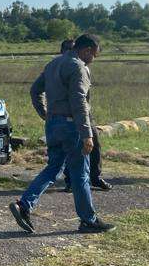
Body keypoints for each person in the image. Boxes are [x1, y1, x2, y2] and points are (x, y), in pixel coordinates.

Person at [10, 34, 115, 234]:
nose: (93, 59)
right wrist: (87, 134)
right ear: (86, 50)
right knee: (81, 174)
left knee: (53, 168)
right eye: (94, 55)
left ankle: (24, 205)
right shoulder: (79, 67)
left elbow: (35, 90)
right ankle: (88, 220)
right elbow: (79, 101)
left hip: (53, 124)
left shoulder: (53, 64)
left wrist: (45, 113)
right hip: (71, 126)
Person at [57, 39, 111, 192]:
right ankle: (71, 181)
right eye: (68, 49)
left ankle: (95, 177)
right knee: (71, 149)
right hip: (70, 115)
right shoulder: (61, 67)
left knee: (95, 145)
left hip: (85, 113)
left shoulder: (83, 67)